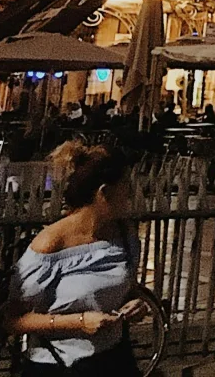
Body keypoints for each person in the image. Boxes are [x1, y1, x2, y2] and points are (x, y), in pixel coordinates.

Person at [8, 143, 147, 375]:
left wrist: (136, 305)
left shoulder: (124, 235)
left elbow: (126, 291)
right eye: (126, 186)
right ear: (104, 193)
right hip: (60, 365)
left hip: (115, 359)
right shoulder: (51, 244)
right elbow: (13, 320)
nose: (131, 194)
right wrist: (79, 322)